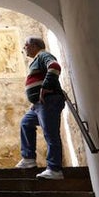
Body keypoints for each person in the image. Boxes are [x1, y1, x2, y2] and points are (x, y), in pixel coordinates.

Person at [13, 36, 66, 179]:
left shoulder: (43, 55)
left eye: (26, 46)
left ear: (34, 45)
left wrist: (46, 86)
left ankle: (55, 169)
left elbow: (54, 67)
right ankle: (29, 159)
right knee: (26, 123)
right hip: (39, 105)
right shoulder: (37, 60)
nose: (24, 49)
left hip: (49, 101)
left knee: (50, 133)